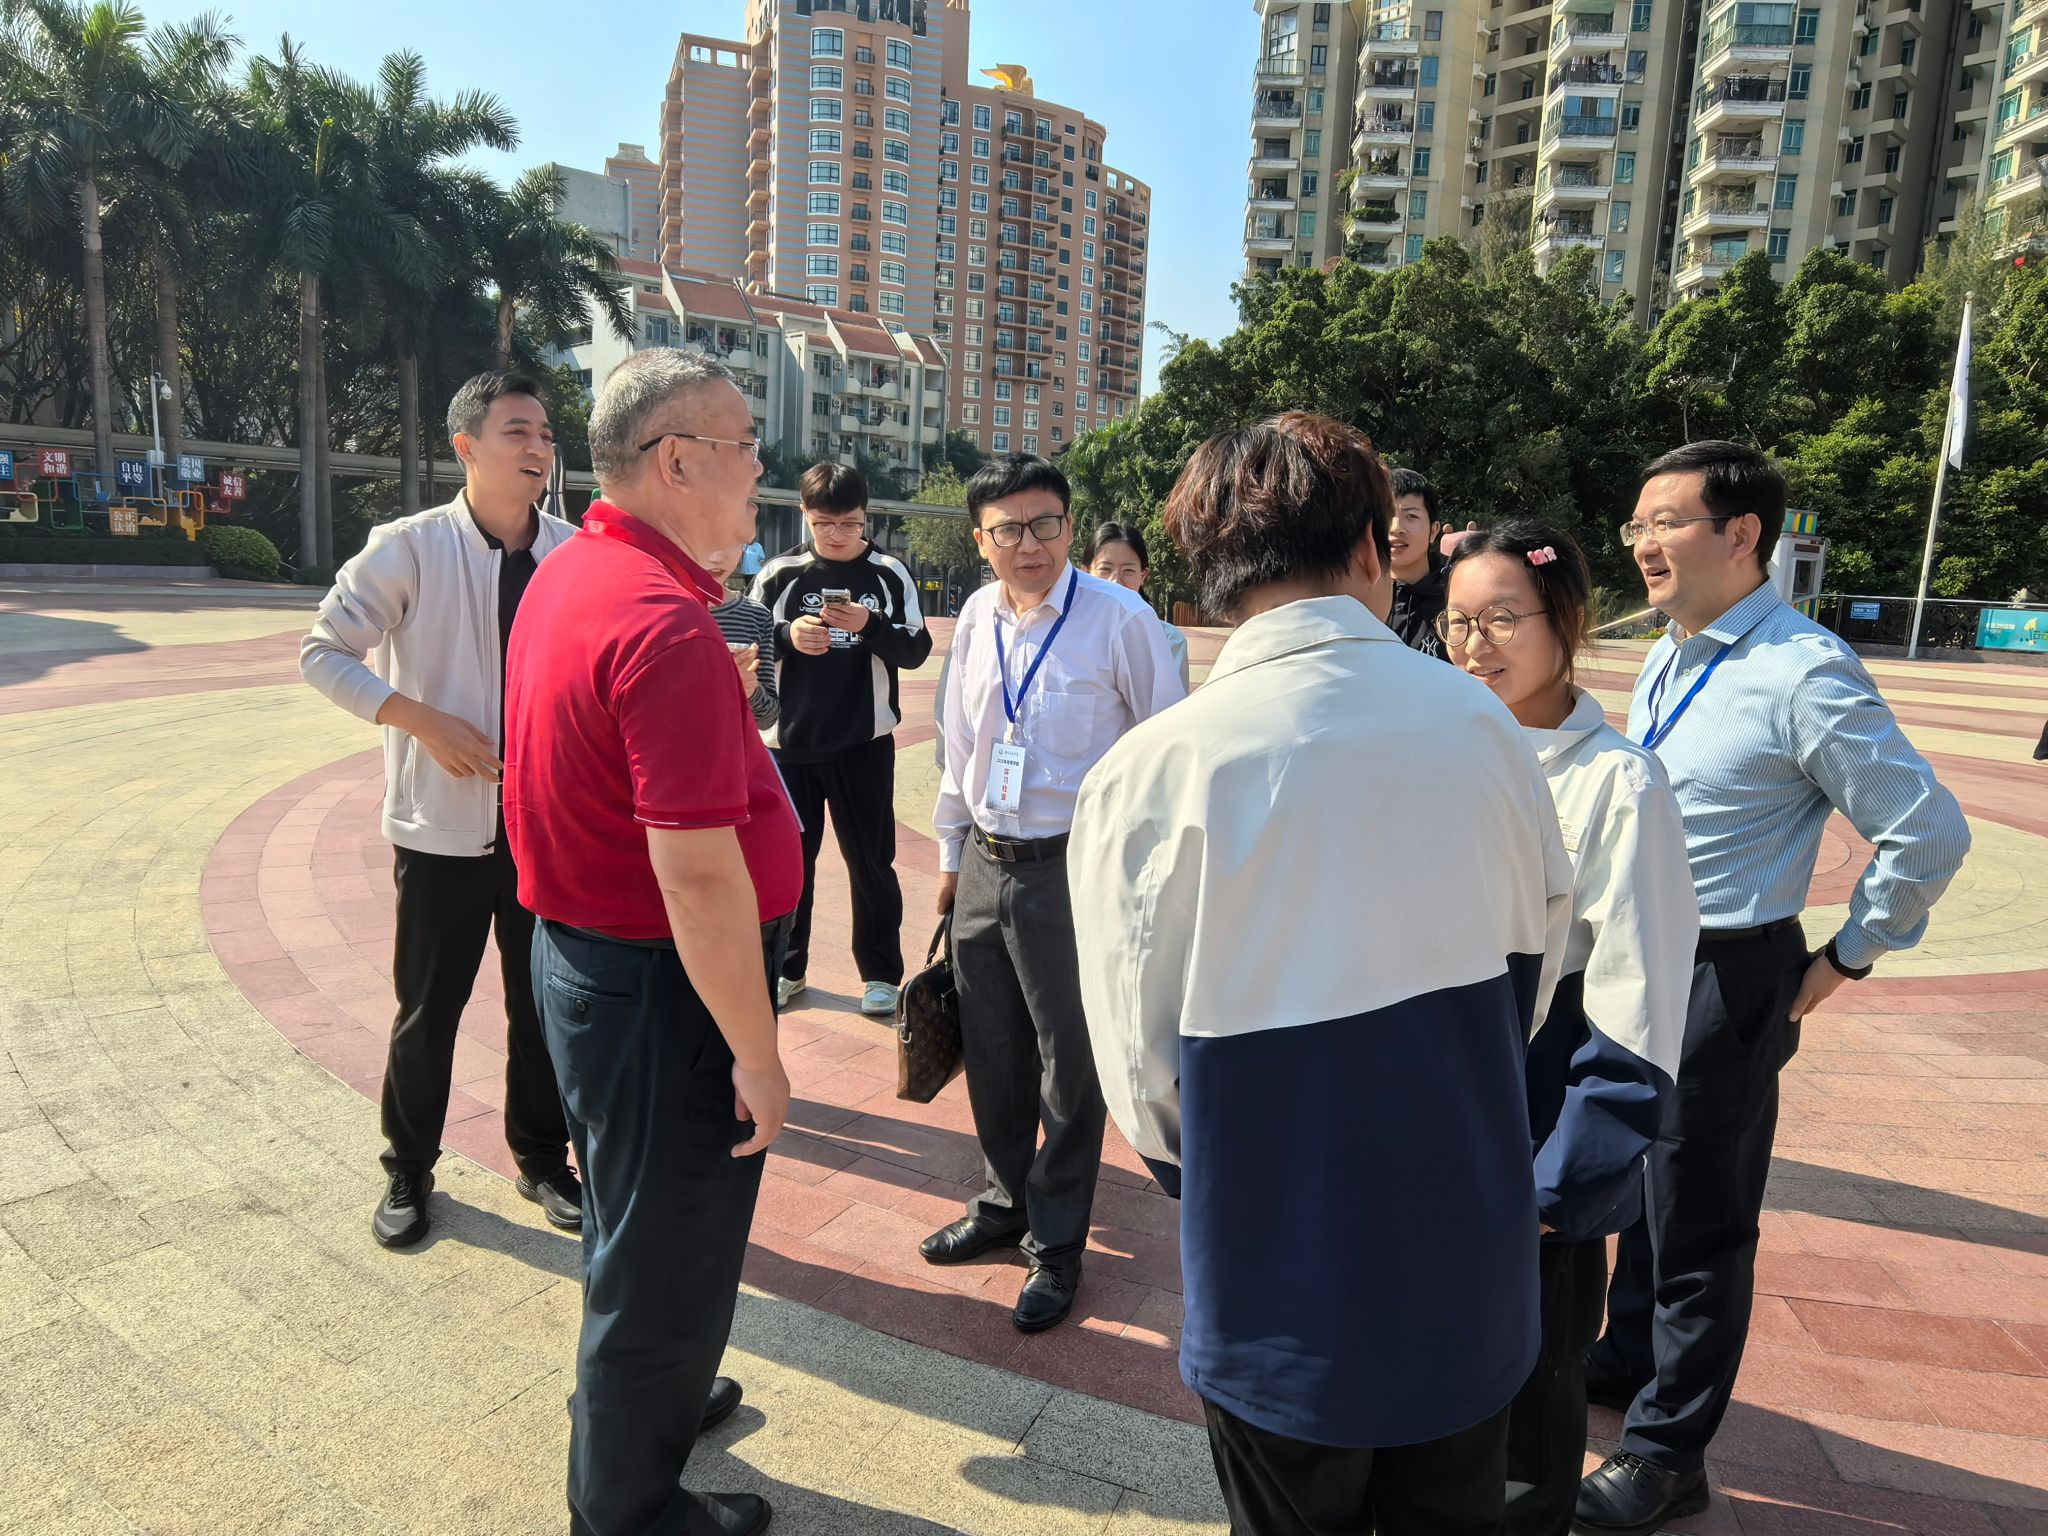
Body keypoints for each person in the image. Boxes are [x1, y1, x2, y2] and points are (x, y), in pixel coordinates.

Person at [1070, 413, 1573, 1536]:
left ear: (1208, 574)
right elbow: (1538, 971)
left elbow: (1140, 1080)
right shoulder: (1486, 725)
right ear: (1367, 548)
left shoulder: (1150, 771)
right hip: (1468, 1250)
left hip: (1276, 1279)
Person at [1578, 441, 1971, 1534]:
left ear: (1742, 533)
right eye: (1636, 524)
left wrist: (1845, 957)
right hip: (1642, 957)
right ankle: (1625, 1357)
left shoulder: (1802, 672)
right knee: (1642, 1180)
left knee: (1701, 1215)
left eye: (1664, 521)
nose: (1642, 543)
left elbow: (1927, 832)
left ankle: (1668, 1455)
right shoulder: (1672, 652)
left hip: (1726, 967)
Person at [503, 351, 800, 1536]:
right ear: (676, 461)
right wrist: (758, 1054)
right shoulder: (659, 621)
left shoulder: (576, 573)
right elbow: (698, 876)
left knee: (636, 1228)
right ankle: (626, 1505)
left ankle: (645, 1402)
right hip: (662, 990)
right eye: (742, 447)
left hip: (588, 964)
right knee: (665, 1252)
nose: (758, 471)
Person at [1438, 522, 1696, 1536]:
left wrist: (1561, 1188)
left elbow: (1639, 1006)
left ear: (1568, 621)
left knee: (1525, 1426)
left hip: (1530, 1156)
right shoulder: (1432, 758)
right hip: (1432, 1139)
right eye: (1458, 622)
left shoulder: (1617, 784)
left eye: (1502, 619)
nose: (1475, 646)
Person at [300, 370, 581, 1249]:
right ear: (466, 446)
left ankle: (542, 1159)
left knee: (543, 1008)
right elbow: (323, 651)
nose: (538, 448)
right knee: (429, 1009)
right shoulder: (409, 548)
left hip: (544, 830)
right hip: (440, 835)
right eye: (516, 431)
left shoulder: (573, 555)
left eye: (545, 434)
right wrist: (417, 719)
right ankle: (409, 1168)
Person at [924, 454, 1185, 1333]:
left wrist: (1141, 883)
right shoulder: (975, 615)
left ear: (1070, 527)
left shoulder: (1120, 619)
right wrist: (952, 855)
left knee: (1069, 1064)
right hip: (986, 861)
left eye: (1044, 525)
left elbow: (1162, 750)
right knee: (991, 1045)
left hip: (1076, 869)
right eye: (1008, 530)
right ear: (981, 541)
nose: (1028, 544)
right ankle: (1004, 1203)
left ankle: (1059, 1238)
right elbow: (961, 742)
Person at [751, 463, 932, 1015]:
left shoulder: (889, 574)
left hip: (864, 745)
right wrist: (788, 635)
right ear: (804, 515)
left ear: (865, 517)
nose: (837, 535)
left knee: (872, 862)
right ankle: (788, 967)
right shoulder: (781, 574)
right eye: (825, 523)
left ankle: (880, 974)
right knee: (791, 864)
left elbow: (916, 649)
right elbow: (748, 637)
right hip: (790, 747)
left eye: (850, 524)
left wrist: (868, 626)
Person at [1087, 520, 1191, 689]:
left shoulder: (1169, 640)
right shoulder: (1067, 634)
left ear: (1143, 576)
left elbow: (1175, 703)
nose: (1116, 581)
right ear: (1085, 573)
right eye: (1105, 569)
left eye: (1128, 570)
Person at [704, 539, 779, 730]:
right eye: (705, 543)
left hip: (732, 745)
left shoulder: (756, 614)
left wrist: (750, 689)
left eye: (731, 543)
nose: (718, 557)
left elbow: (768, 718)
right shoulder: (656, 609)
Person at [1385, 466, 1448, 660]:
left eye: (1411, 516)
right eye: (1386, 515)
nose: (1396, 528)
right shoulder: (1359, 599)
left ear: (1433, 531)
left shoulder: (1454, 595)